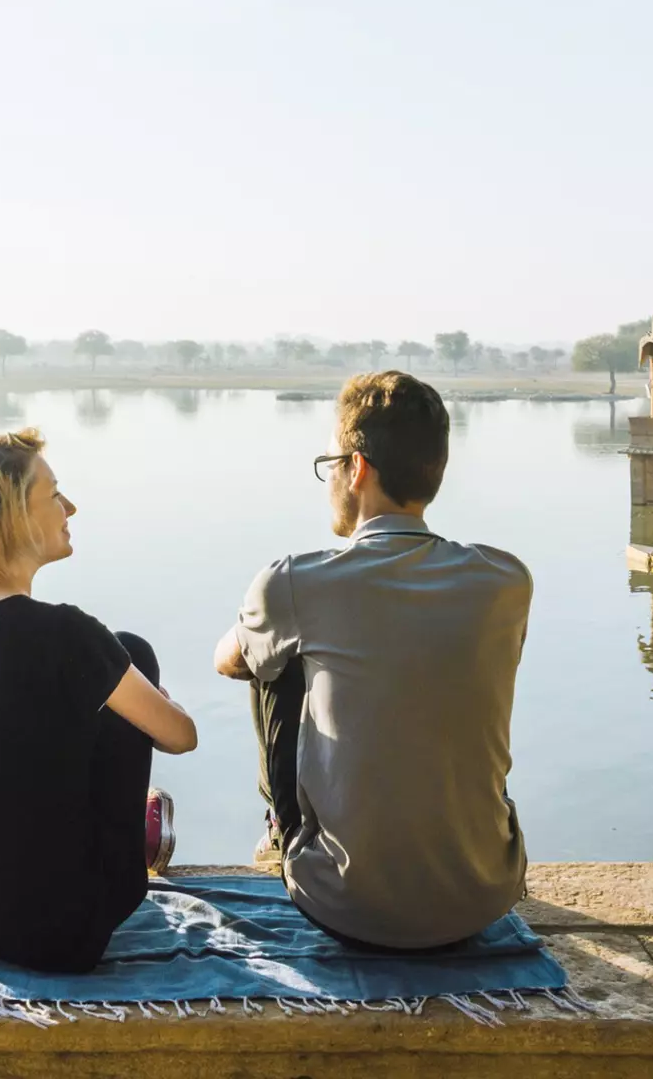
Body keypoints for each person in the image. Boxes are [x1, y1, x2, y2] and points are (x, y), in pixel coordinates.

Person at [213, 371, 532, 951]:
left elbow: (227, 660)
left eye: (331, 462)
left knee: (271, 665)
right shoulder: (505, 579)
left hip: (345, 905)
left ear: (357, 468)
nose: (330, 476)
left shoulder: (296, 581)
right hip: (485, 896)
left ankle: (283, 833)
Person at [0, 428, 197, 973]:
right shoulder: (71, 635)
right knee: (132, 652)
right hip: (62, 932)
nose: (71, 507)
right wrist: (152, 698)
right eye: (54, 495)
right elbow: (182, 737)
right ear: (13, 515)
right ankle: (136, 833)